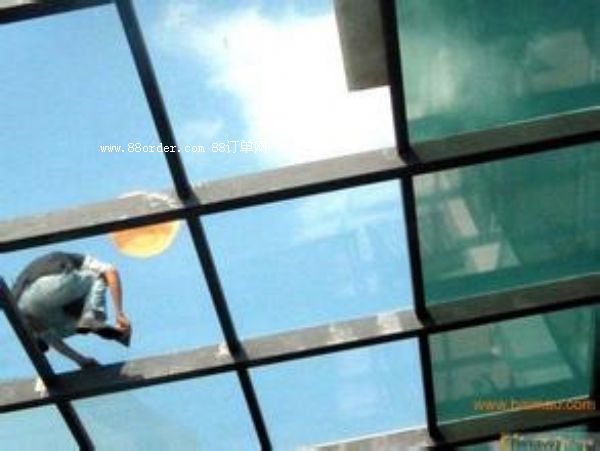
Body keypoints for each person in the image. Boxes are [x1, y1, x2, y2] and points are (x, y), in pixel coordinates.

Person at [11, 251, 132, 368]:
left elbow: (50, 337)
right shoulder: (79, 260)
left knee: (59, 330)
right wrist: (119, 313)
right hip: (49, 282)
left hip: (24, 306)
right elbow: (110, 271)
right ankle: (91, 316)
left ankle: (41, 337)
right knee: (100, 276)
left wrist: (80, 360)